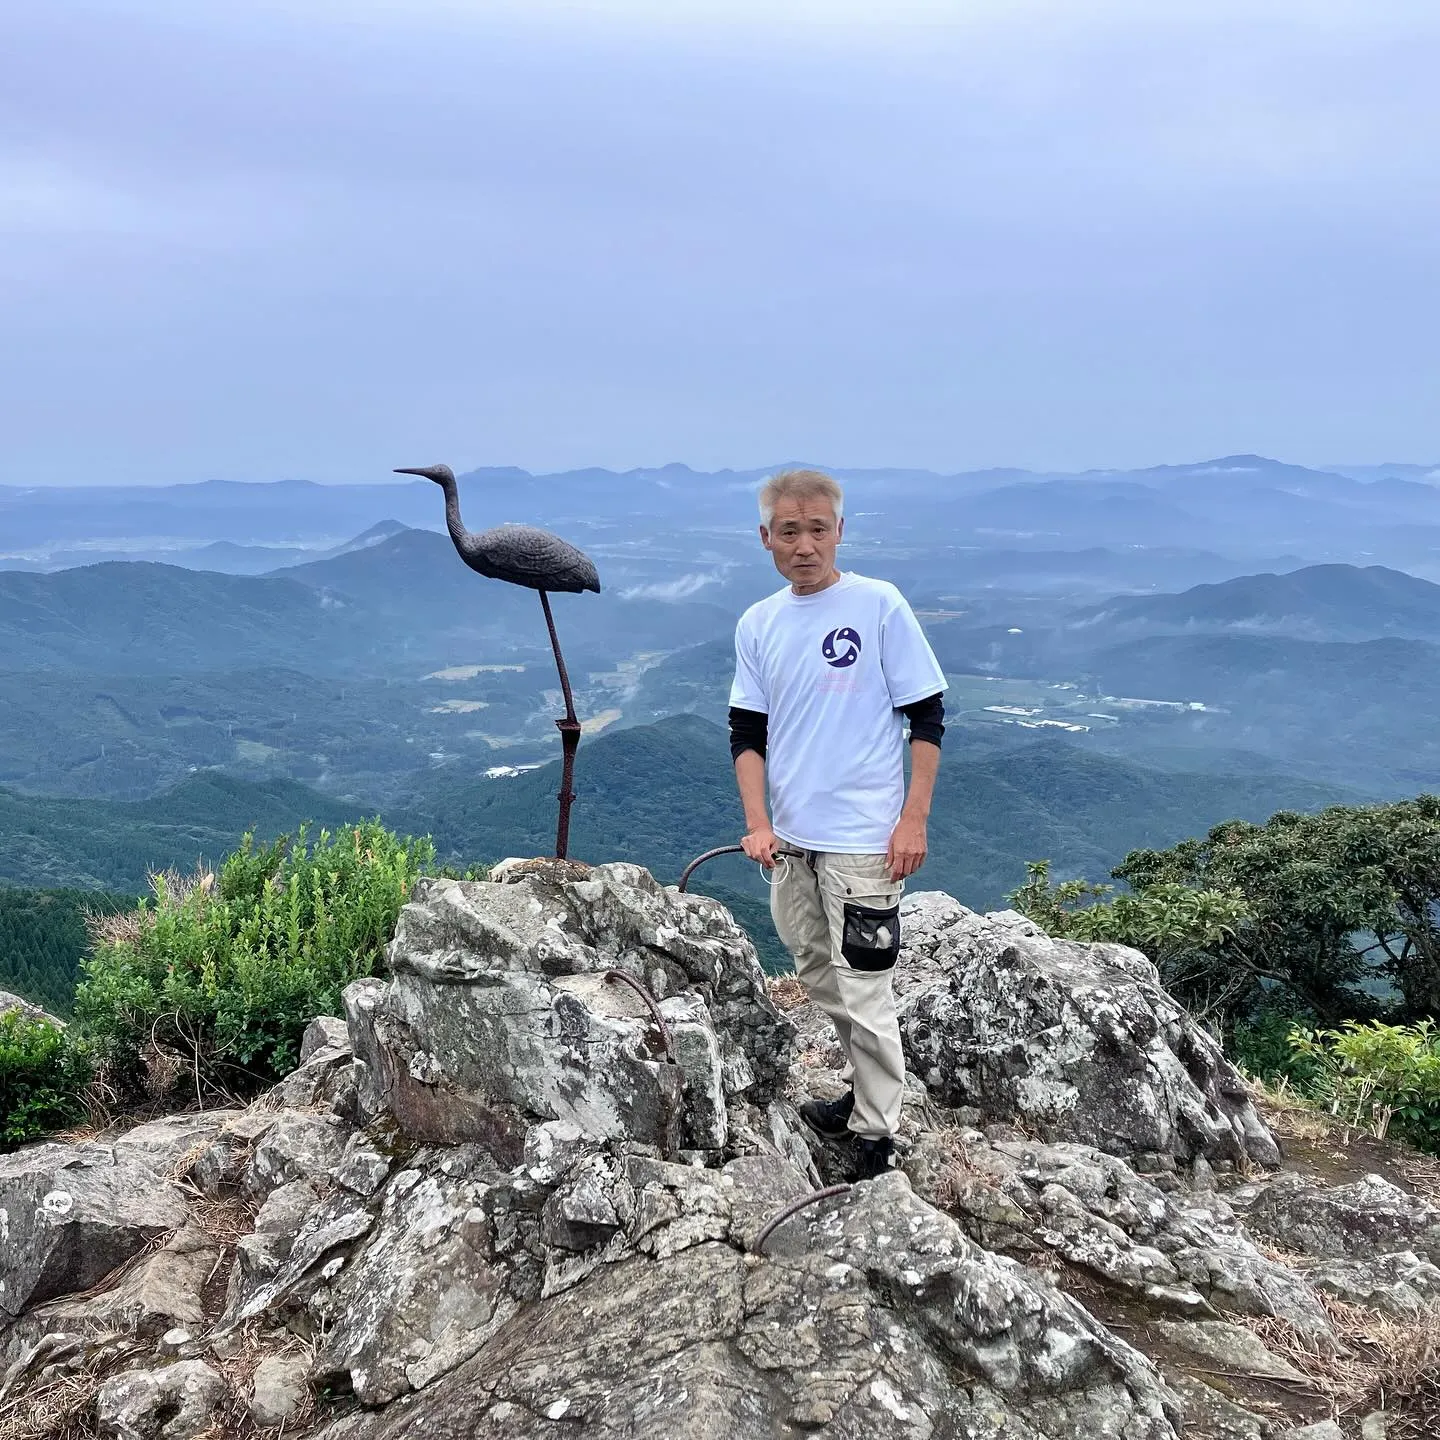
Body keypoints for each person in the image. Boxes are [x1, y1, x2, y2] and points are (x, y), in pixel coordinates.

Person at [728, 468, 946, 1181]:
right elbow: (747, 732)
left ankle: (877, 1137)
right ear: (766, 537)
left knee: (865, 988)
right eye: (789, 531)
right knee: (820, 977)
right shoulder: (758, 624)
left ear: (839, 531)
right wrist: (758, 823)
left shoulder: (877, 605)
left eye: (817, 529)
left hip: (864, 843)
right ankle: (863, 1093)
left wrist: (913, 820)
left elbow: (927, 716)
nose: (805, 545)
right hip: (792, 844)